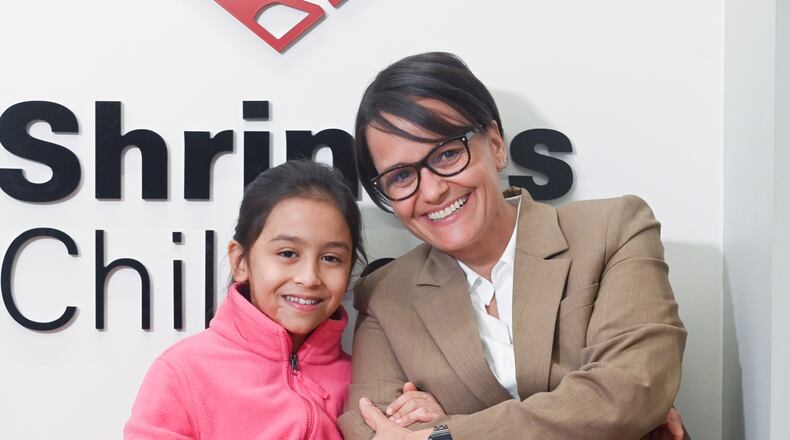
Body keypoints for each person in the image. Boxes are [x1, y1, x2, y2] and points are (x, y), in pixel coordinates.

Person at [337, 52, 688, 440]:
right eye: (402, 176)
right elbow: (371, 430)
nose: (434, 190)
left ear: (495, 144)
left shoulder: (614, 229)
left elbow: (631, 392)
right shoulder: (386, 295)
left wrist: (446, 432)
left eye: (448, 154)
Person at [124, 160, 367, 439]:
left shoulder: (363, 380)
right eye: (288, 253)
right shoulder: (183, 372)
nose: (309, 277)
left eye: (330, 258)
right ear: (240, 261)